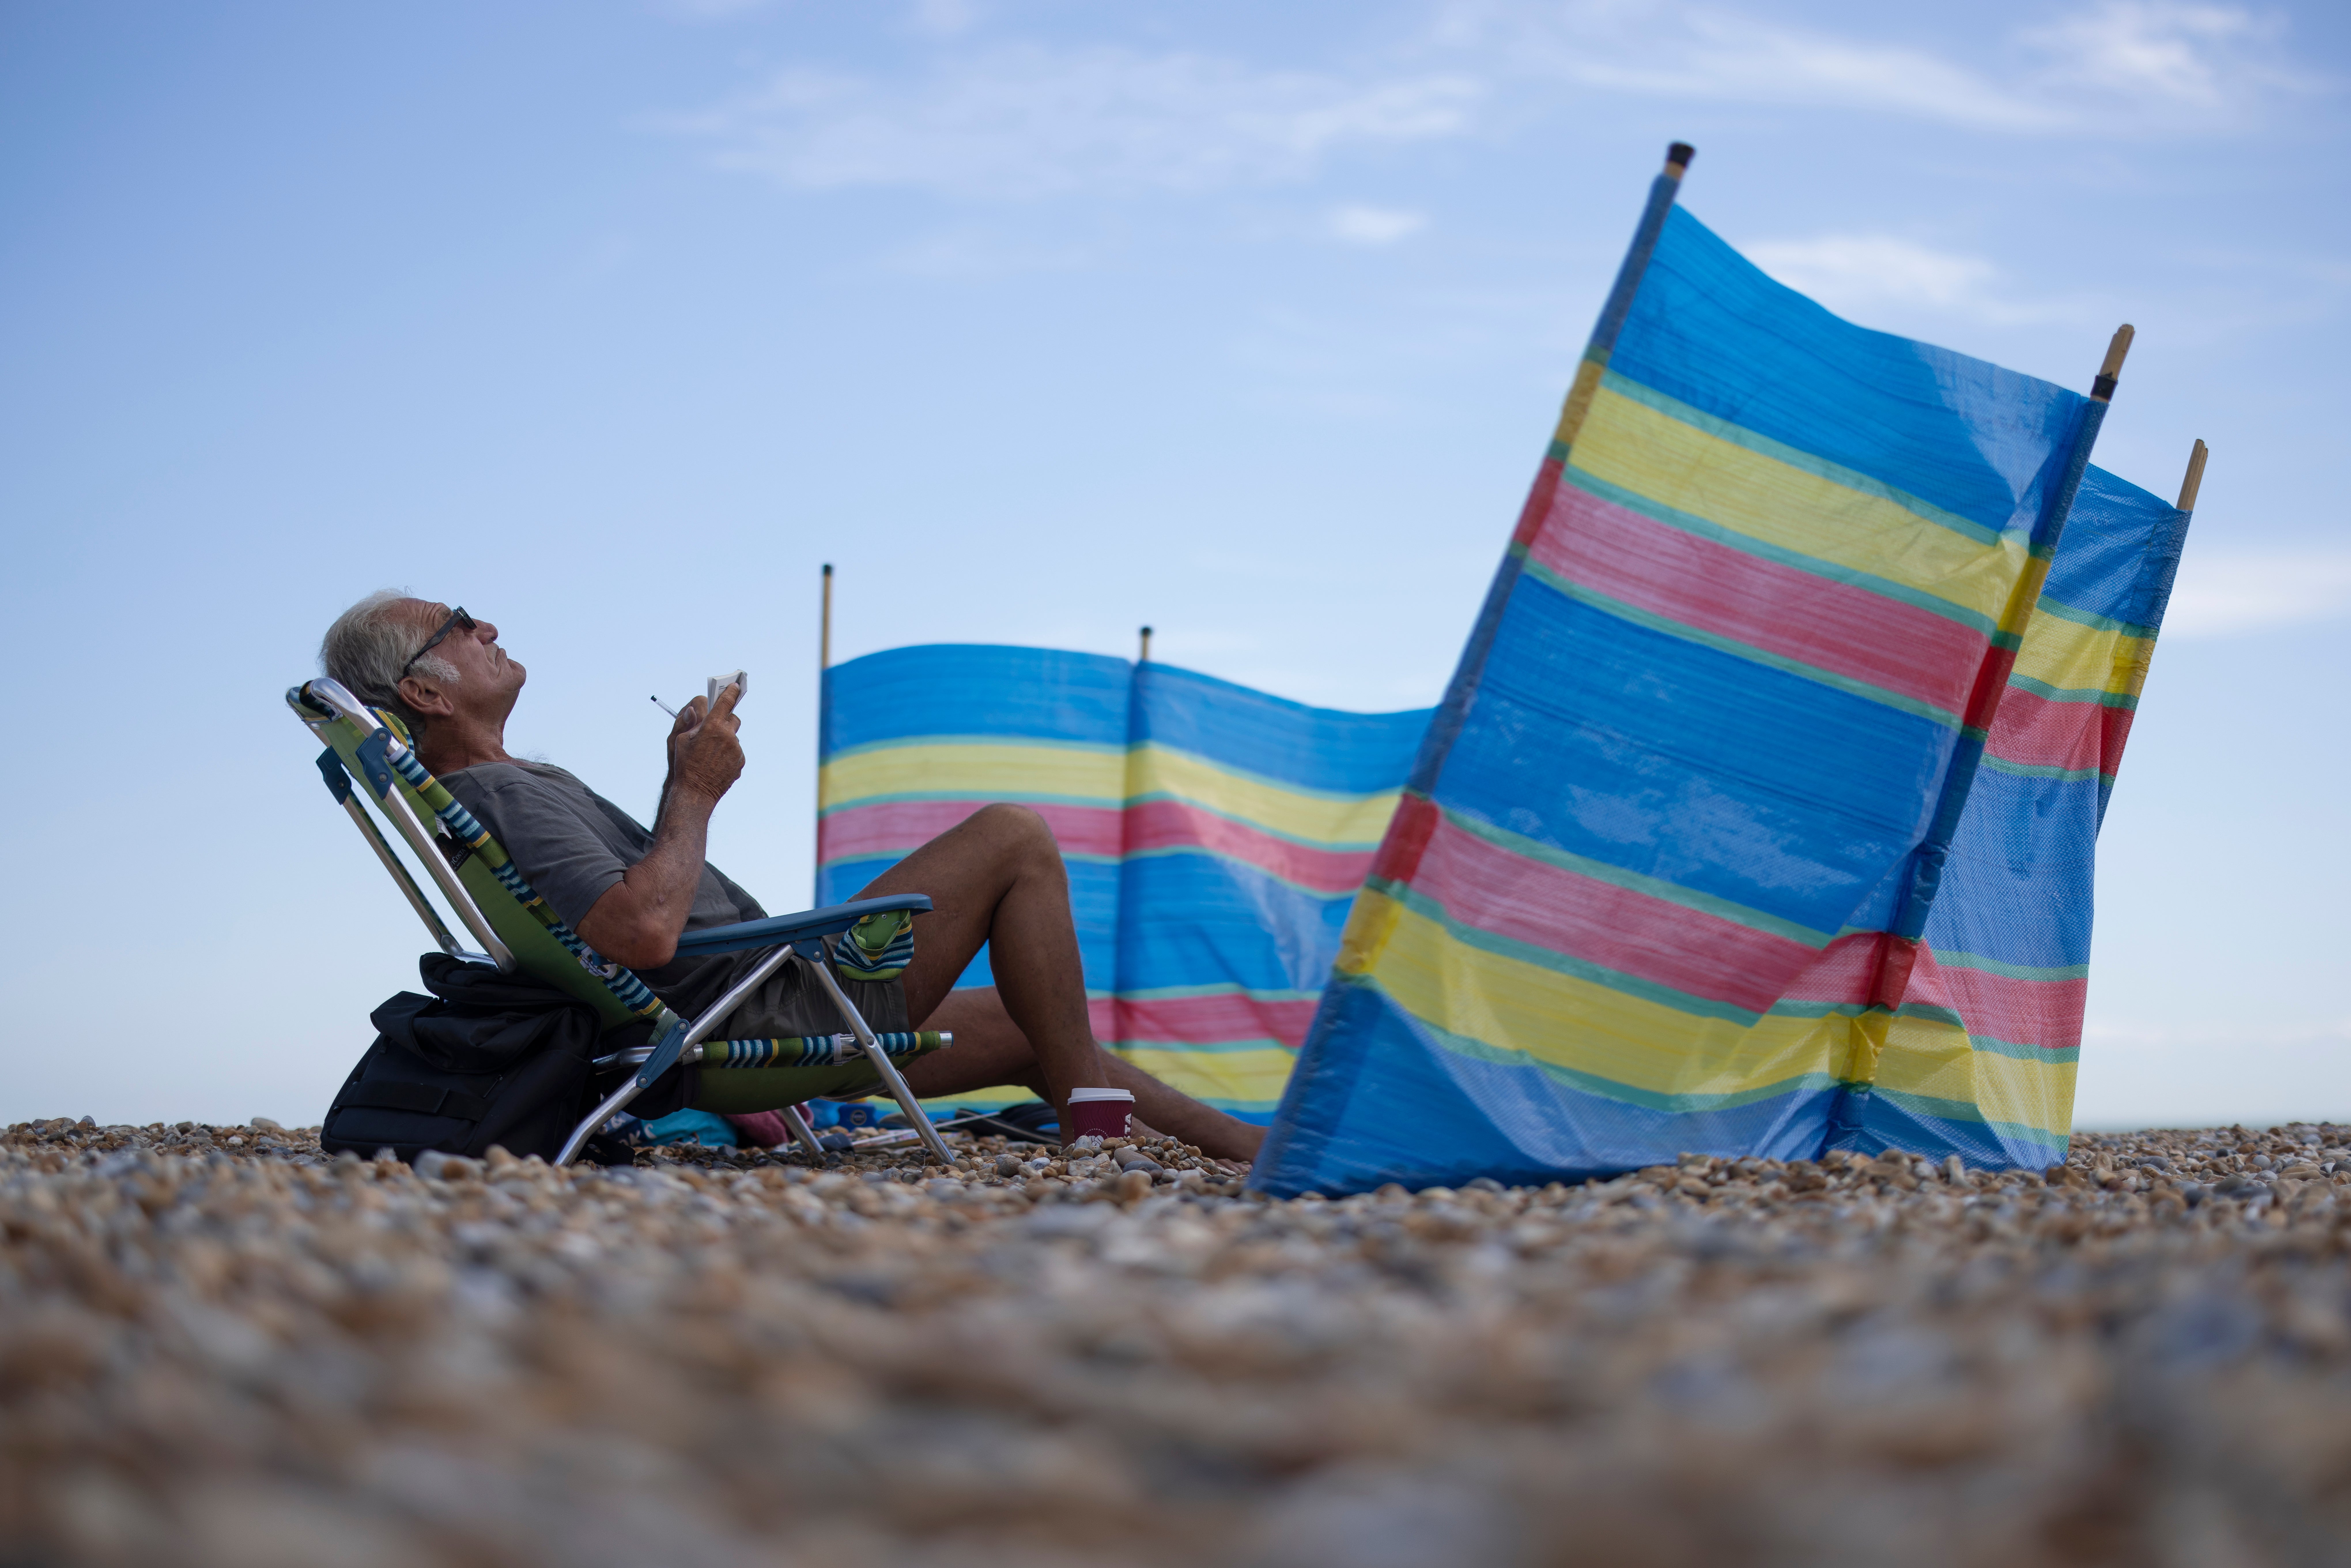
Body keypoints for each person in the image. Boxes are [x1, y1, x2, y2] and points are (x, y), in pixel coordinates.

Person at [320, 591, 1265, 1163]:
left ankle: (1257, 1157)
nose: (485, 623)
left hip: (748, 998)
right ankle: (1094, 1151)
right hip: (775, 1005)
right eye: (454, 624)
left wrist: (675, 781)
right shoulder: (499, 793)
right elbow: (643, 934)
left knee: (1040, 1025)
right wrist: (696, 789)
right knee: (1015, 836)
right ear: (426, 692)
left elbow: (634, 916)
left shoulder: (499, 789)